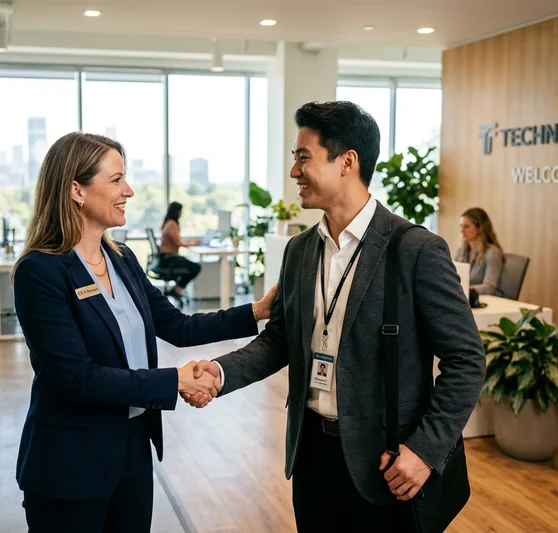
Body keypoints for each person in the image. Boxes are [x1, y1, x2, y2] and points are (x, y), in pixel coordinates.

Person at [184, 101, 485, 531]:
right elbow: (280, 339)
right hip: (311, 457)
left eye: (303, 157)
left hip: (389, 463)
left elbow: (467, 361)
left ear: (347, 162)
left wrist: (424, 450)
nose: (293, 171)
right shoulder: (300, 250)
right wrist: (218, 371)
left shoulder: (416, 250)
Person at [10, 132, 277, 533]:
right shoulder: (40, 272)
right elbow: (76, 378)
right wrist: (175, 380)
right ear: (76, 189)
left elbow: (177, 325)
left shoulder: (121, 258)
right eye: (116, 180)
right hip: (71, 463)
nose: (129, 191)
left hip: (132, 450)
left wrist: (258, 311)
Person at [454, 207, 505, 296]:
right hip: (466, 300)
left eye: (466, 226)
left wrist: (464, 289)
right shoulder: (462, 250)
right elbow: (453, 275)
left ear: (479, 228)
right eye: (461, 226)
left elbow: (490, 287)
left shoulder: (492, 253)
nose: (461, 231)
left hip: (488, 302)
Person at [158, 201, 201, 299]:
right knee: (196, 267)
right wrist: (193, 243)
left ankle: (177, 289)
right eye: (181, 211)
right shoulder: (172, 224)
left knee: (192, 265)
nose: (182, 213)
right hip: (170, 259)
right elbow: (178, 243)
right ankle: (177, 289)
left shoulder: (167, 222)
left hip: (166, 258)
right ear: (176, 212)